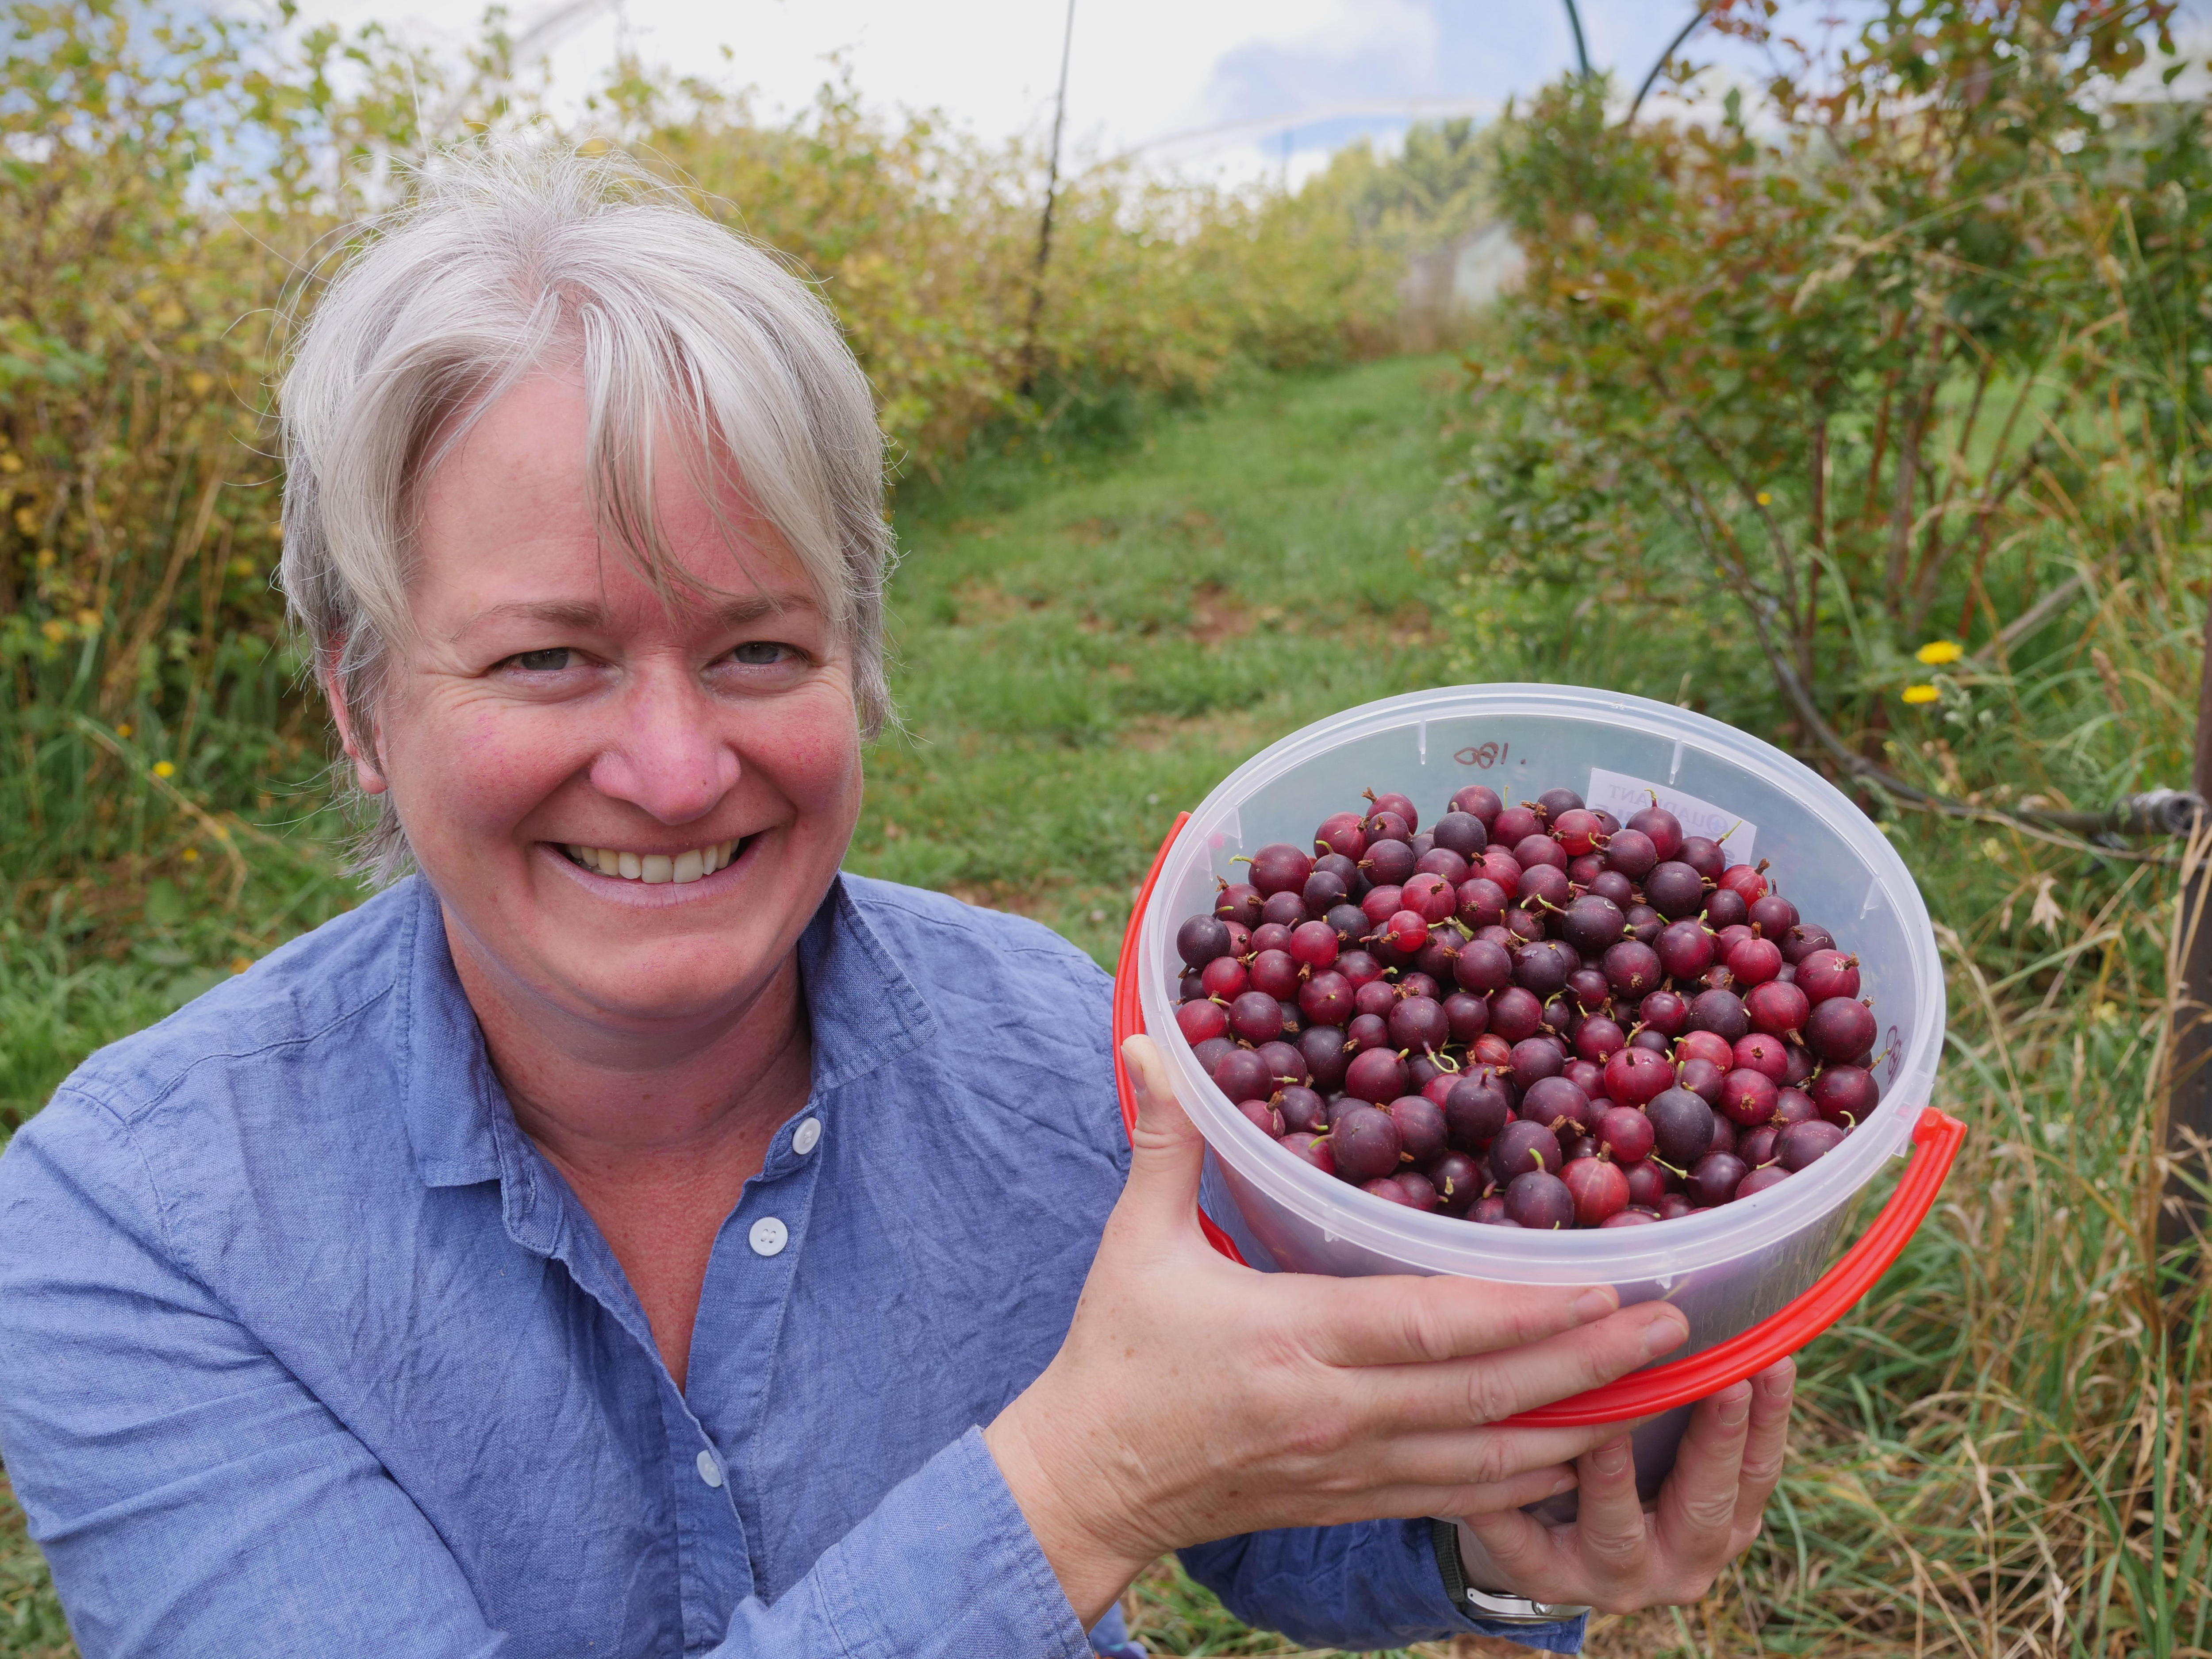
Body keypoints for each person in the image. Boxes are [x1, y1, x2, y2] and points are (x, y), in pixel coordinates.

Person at [0, 145, 1793, 1659]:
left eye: (757, 644)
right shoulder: (139, 1238)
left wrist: (1489, 1528)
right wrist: (1080, 1484)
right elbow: (1137, 1469)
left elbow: (1263, 1507)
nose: (679, 764)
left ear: (856, 664)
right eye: (547, 656)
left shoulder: (1059, 1051)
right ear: (361, 706)